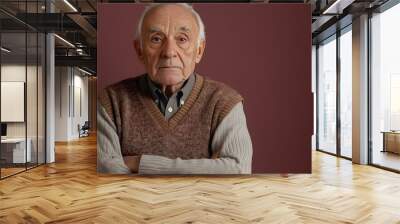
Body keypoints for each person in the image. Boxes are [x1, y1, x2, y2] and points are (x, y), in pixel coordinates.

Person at [97, 3, 253, 174]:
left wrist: (141, 163)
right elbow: (107, 171)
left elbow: (238, 169)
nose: (169, 52)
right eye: (156, 39)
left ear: (199, 51)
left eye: (182, 39)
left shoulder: (224, 101)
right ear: (139, 50)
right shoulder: (110, 101)